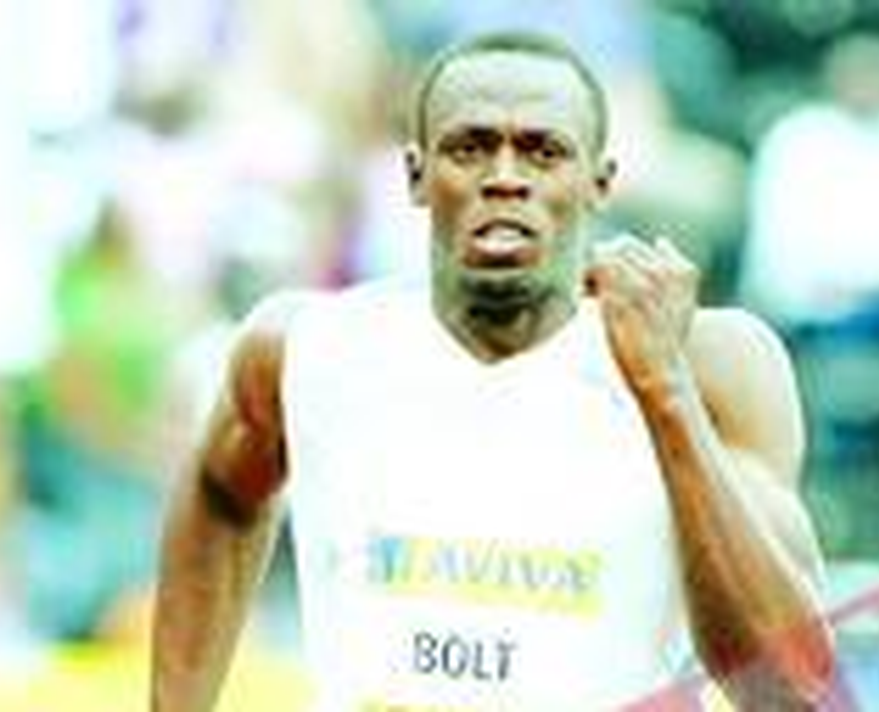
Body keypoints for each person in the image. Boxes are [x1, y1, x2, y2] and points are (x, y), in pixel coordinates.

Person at [151, 31, 833, 711]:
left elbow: (788, 693)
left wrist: (665, 393)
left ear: (599, 182)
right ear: (416, 176)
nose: (505, 177)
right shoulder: (306, 348)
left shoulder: (711, 362)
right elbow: (221, 500)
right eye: (470, 148)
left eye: (544, 151)